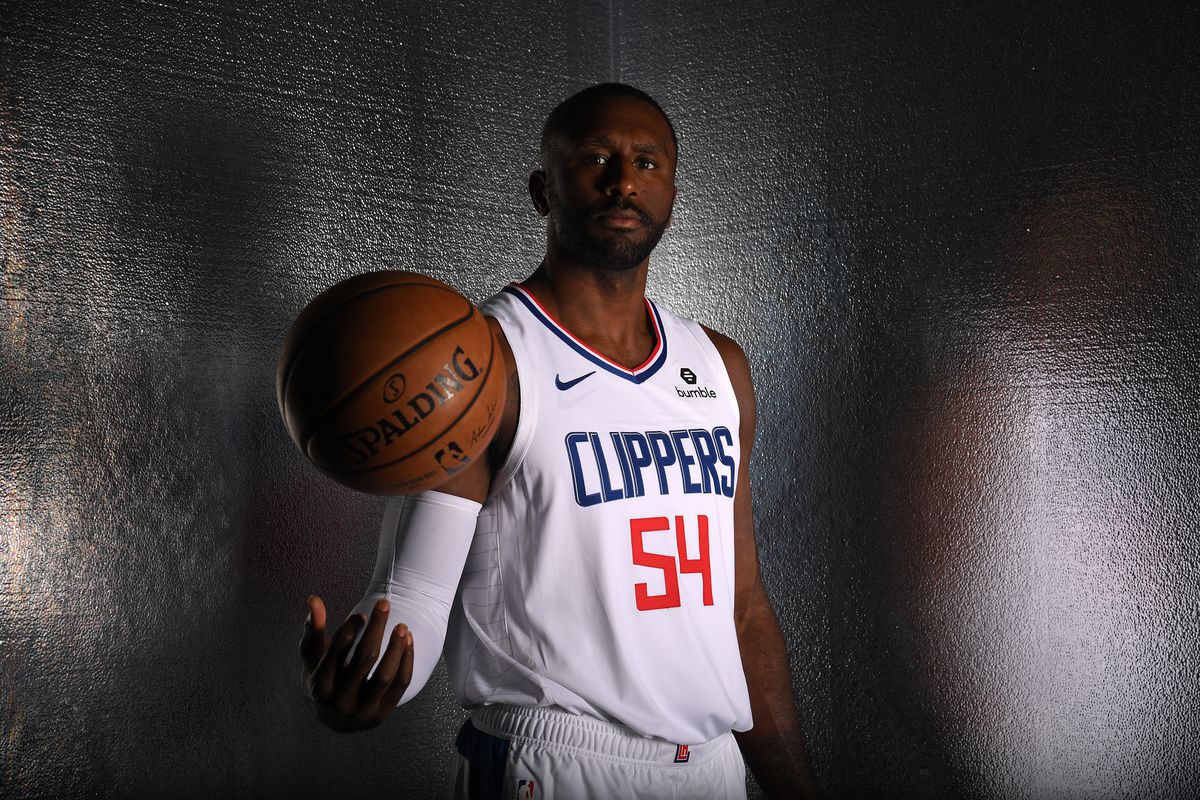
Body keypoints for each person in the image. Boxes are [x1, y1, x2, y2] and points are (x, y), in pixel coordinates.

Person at [299, 83, 817, 799]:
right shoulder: (484, 366)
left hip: (712, 767)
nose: (623, 180)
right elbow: (414, 590)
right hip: (555, 763)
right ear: (544, 189)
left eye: (647, 162)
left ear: (672, 191)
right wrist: (362, 682)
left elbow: (743, 605)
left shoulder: (719, 366)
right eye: (595, 158)